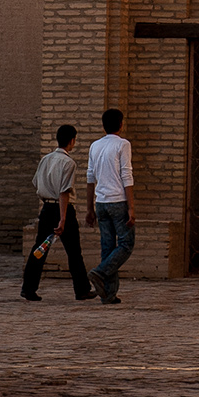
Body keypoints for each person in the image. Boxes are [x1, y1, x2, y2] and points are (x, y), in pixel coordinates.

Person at [21, 124, 94, 302]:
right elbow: (64, 192)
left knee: (39, 249)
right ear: (72, 140)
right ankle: (82, 289)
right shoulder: (69, 163)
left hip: (46, 208)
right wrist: (62, 219)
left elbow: (36, 183)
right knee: (74, 252)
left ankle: (28, 287)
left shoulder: (45, 159)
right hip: (63, 211)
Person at [86, 107, 136, 304]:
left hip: (101, 202)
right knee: (126, 244)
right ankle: (99, 272)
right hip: (117, 201)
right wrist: (131, 207)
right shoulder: (123, 145)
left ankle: (109, 294)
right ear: (121, 125)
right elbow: (126, 175)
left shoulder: (95, 146)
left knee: (107, 247)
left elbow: (90, 177)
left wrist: (89, 208)